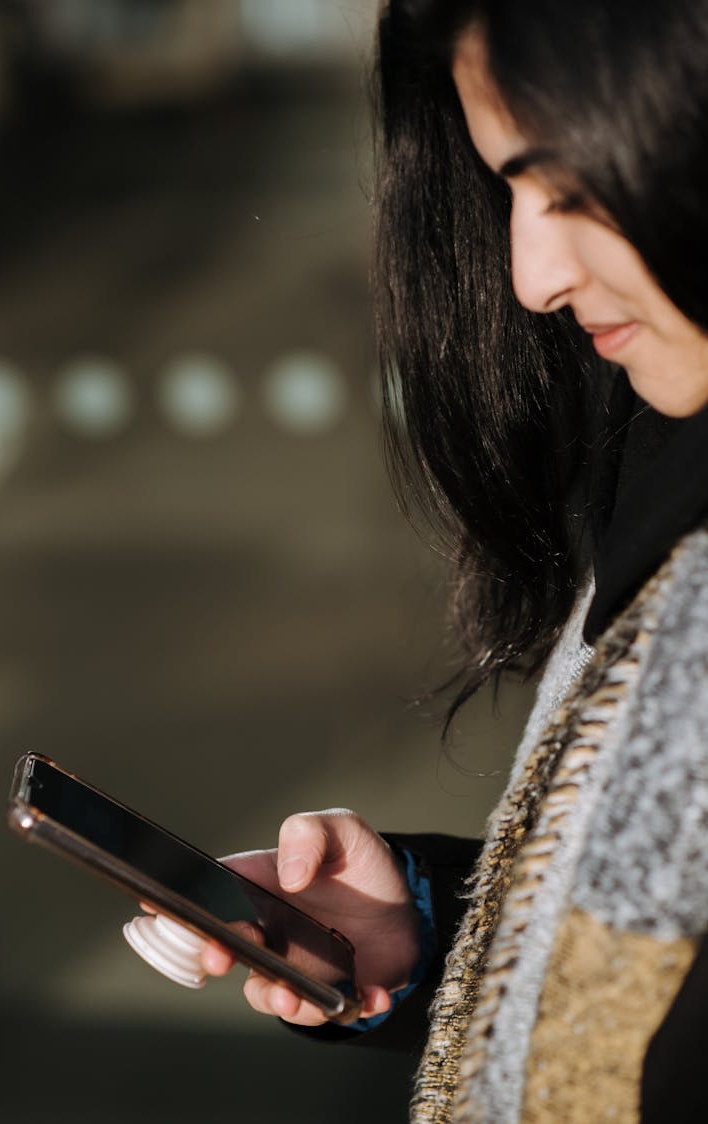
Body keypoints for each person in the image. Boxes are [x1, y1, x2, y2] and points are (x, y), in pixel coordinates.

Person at [198, 2, 708, 1120]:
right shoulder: (662, 428)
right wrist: (427, 927)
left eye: (570, 187)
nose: (534, 272)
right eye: (508, 192)